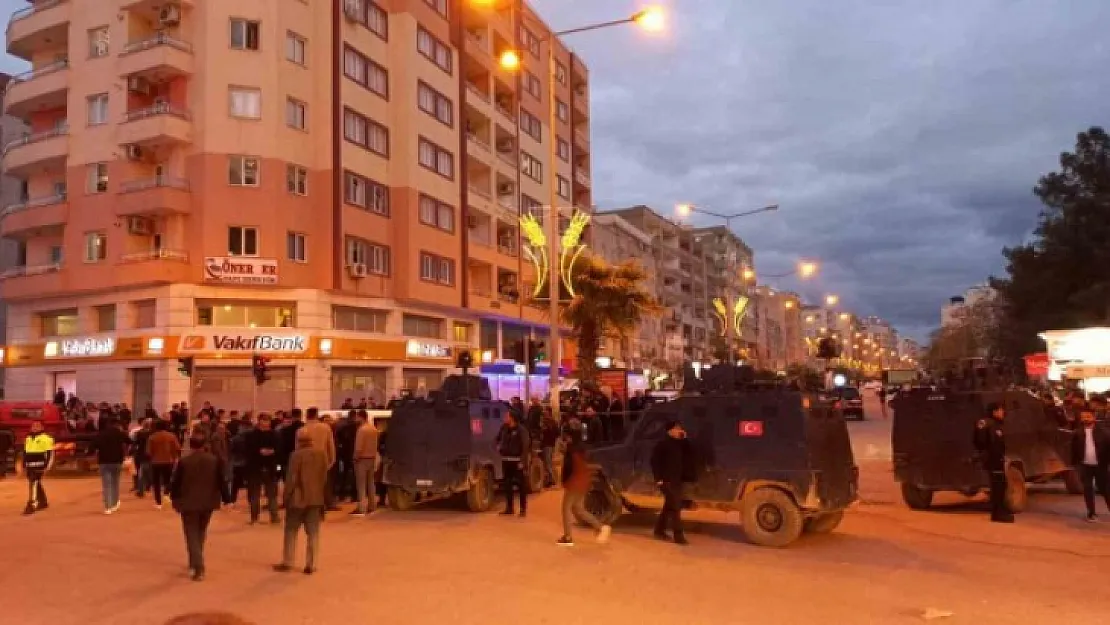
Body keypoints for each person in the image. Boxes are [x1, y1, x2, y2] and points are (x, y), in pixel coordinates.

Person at [171, 435, 232, 582]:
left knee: (191, 533)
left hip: (188, 501)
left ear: (191, 445)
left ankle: (198, 565)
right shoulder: (214, 460)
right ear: (204, 444)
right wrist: (227, 498)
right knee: (201, 531)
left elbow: (176, 482)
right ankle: (196, 560)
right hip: (208, 501)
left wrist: (174, 497)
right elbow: (221, 481)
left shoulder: (184, 462)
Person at [274, 429, 328, 574]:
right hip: (316, 498)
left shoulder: (295, 455)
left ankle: (288, 561)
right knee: (313, 533)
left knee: (291, 530)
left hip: (297, 499)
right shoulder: (322, 454)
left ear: (298, 441)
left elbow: (291, 479)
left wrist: (285, 497)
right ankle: (312, 564)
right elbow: (324, 477)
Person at [556, 428, 611, 546]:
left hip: (574, 482)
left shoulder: (573, 450)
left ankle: (568, 537)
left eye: (567, 436)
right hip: (583, 482)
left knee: (566, 508)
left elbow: (573, 467)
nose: (566, 438)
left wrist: (566, 481)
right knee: (579, 509)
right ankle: (600, 527)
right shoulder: (582, 448)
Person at [651, 419, 694, 544]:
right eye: (677, 428)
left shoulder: (679, 443)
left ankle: (659, 530)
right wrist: (658, 479)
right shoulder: (662, 444)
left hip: (677, 479)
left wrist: (685, 439)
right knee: (676, 507)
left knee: (669, 506)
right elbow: (654, 462)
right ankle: (678, 536)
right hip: (666, 481)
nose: (679, 430)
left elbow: (688, 453)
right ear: (670, 430)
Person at [973, 402, 1014, 523]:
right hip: (994, 460)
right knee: (998, 487)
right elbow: (984, 442)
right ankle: (998, 513)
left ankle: (999, 511)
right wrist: (989, 454)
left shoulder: (990, 424)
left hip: (995, 459)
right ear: (994, 412)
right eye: (1001, 410)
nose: (1003, 413)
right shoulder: (989, 424)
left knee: (1000, 486)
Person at [1071, 409, 1110, 522]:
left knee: (1105, 489)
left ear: (1093, 417)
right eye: (1083, 417)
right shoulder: (1077, 433)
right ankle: (1091, 513)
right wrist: (1075, 465)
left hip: (1100, 465)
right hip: (1085, 466)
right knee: (1087, 489)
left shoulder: (1104, 433)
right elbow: (1073, 450)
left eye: (1088, 416)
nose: (1085, 419)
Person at [244, 413, 281, 525]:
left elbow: (280, 450)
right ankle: (255, 517)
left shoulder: (276, 434)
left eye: (267, 420)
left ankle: (274, 517)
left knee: (272, 494)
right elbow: (247, 451)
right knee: (255, 495)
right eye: (264, 420)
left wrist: (272, 452)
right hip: (255, 468)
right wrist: (260, 452)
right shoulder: (251, 435)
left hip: (270, 468)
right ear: (259, 421)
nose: (265, 422)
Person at [297, 407, 336, 511]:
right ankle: (321, 506)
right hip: (322, 460)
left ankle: (310, 506)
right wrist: (331, 461)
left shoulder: (301, 430)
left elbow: (297, 450)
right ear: (316, 415)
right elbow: (330, 446)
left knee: (308, 485)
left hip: (306, 462)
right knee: (322, 485)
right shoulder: (326, 428)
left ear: (307, 415)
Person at [92, 417, 132, 514]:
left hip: (104, 461)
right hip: (117, 461)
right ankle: (115, 503)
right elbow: (130, 441)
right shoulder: (120, 433)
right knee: (115, 483)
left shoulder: (101, 434)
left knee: (106, 485)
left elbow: (93, 446)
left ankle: (108, 507)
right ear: (117, 425)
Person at [496, 411, 530, 517]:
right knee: (507, 484)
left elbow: (525, 446)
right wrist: (499, 447)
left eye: (507, 416)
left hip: (517, 461)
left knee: (521, 485)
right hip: (506, 460)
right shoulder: (504, 428)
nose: (505, 418)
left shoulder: (521, 430)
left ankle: (523, 509)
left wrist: (522, 461)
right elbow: (497, 438)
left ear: (512, 418)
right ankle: (509, 508)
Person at [21, 421, 54, 515]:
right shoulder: (28, 438)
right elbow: (25, 452)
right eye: (33, 426)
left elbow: (50, 454)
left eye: (37, 426)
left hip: (40, 465)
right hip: (29, 465)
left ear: (42, 427)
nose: (35, 427)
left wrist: (48, 466)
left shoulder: (47, 438)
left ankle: (32, 505)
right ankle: (43, 502)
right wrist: (23, 464)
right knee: (35, 483)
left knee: (33, 482)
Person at [147, 420, 182, 510]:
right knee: (168, 479)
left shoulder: (152, 437)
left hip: (156, 462)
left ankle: (158, 503)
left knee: (156, 483)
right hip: (169, 461)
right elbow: (177, 448)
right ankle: (167, 493)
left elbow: (148, 452)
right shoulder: (171, 436)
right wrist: (175, 458)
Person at [351, 410, 380, 517]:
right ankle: (372, 506)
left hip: (362, 459)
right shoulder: (373, 429)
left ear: (361, 417)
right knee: (371, 483)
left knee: (361, 485)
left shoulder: (361, 430)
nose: (356, 419)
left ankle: (362, 508)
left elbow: (358, 447)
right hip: (371, 458)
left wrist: (355, 458)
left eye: (357, 417)